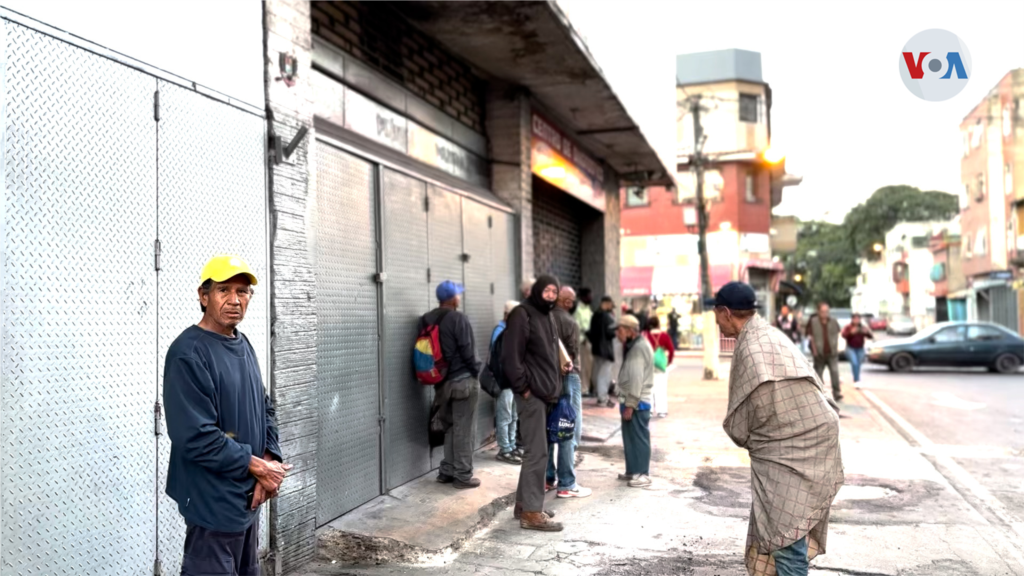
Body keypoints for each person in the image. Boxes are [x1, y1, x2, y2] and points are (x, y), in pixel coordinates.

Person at [164, 255, 290, 576]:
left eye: (243, 291)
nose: (235, 300)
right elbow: (196, 437)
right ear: (203, 296)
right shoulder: (188, 353)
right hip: (212, 501)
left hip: (247, 497)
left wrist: (266, 457)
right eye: (224, 290)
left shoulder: (242, 342)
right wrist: (259, 467)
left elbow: (264, 406)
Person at [710, 282, 844, 576]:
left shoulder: (751, 348)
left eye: (716, 315)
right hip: (812, 435)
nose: (717, 322)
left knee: (786, 539)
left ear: (726, 312)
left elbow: (740, 423)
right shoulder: (770, 336)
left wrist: (750, 438)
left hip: (794, 448)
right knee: (782, 529)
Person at [503, 275, 564, 531]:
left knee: (536, 453)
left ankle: (525, 505)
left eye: (554, 291)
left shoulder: (547, 316)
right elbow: (511, 356)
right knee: (537, 453)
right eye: (547, 290)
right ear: (537, 291)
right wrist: (524, 389)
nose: (550, 295)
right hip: (532, 395)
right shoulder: (522, 314)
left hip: (545, 394)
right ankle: (531, 514)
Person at [425, 280, 482, 489]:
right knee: (464, 430)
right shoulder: (459, 319)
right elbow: (469, 352)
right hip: (463, 382)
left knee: (449, 428)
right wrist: (477, 372)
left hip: (441, 385)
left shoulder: (427, 319)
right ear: (452, 298)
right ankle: (463, 476)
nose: (460, 297)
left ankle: (446, 471)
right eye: (458, 294)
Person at [548, 286, 592, 498]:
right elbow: (572, 353)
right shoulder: (569, 322)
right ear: (567, 302)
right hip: (568, 377)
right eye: (572, 300)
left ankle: (548, 479)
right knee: (568, 427)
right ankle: (566, 483)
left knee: (549, 428)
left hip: (547, 380)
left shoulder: (544, 319)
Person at [614, 314, 654, 488]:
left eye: (620, 330)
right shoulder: (634, 345)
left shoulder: (638, 348)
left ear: (630, 331)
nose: (617, 334)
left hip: (637, 401)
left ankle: (643, 473)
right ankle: (632, 470)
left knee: (638, 437)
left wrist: (631, 404)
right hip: (632, 399)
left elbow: (637, 378)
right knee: (630, 437)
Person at [492, 300, 523, 465]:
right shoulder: (500, 332)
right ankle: (504, 449)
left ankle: (511, 446)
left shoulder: (511, 332)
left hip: (513, 383)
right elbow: (498, 360)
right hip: (505, 383)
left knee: (513, 416)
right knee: (505, 416)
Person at [807, 302, 842, 402]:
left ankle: (837, 392)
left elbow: (838, 334)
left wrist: (836, 347)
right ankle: (819, 393)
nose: (825, 313)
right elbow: (811, 337)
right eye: (822, 311)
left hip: (832, 353)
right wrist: (814, 350)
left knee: (834, 371)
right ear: (818, 312)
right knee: (818, 373)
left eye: (827, 311)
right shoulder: (813, 322)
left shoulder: (833, 321)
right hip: (819, 353)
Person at [588, 296, 617, 408]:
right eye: (611, 304)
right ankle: (602, 398)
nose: (611, 307)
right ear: (606, 303)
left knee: (597, 373)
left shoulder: (595, 315)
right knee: (604, 375)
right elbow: (611, 333)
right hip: (606, 350)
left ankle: (599, 395)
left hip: (596, 348)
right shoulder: (607, 317)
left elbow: (591, 333)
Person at [643, 316, 675, 418]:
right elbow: (671, 349)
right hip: (660, 366)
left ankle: (649, 410)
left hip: (647, 365)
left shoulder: (645, 335)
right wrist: (668, 361)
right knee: (661, 388)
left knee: (648, 388)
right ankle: (662, 411)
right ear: (658, 324)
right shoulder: (664, 335)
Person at [841, 313, 874, 385]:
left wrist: (867, 332)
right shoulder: (848, 327)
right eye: (855, 319)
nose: (856, 320)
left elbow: (870, 336)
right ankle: (857, 380)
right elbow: (843, 335)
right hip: (850, 348)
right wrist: (851, 333)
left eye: (858, 319)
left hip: (860, 348)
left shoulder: (862, 327)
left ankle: (856, 379)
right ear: (852, 319)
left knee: (858, 364)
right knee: (854, 362)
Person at [574, 288, 595, 398]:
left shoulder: (588, 309)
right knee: (584, 366)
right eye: (589, 296)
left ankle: (589, 387)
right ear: (583, 297)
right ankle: (584, 389)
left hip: (590, 341)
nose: (591, 298)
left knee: (589, 366)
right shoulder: (579, 310)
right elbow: (580, 327)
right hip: (583, 341)